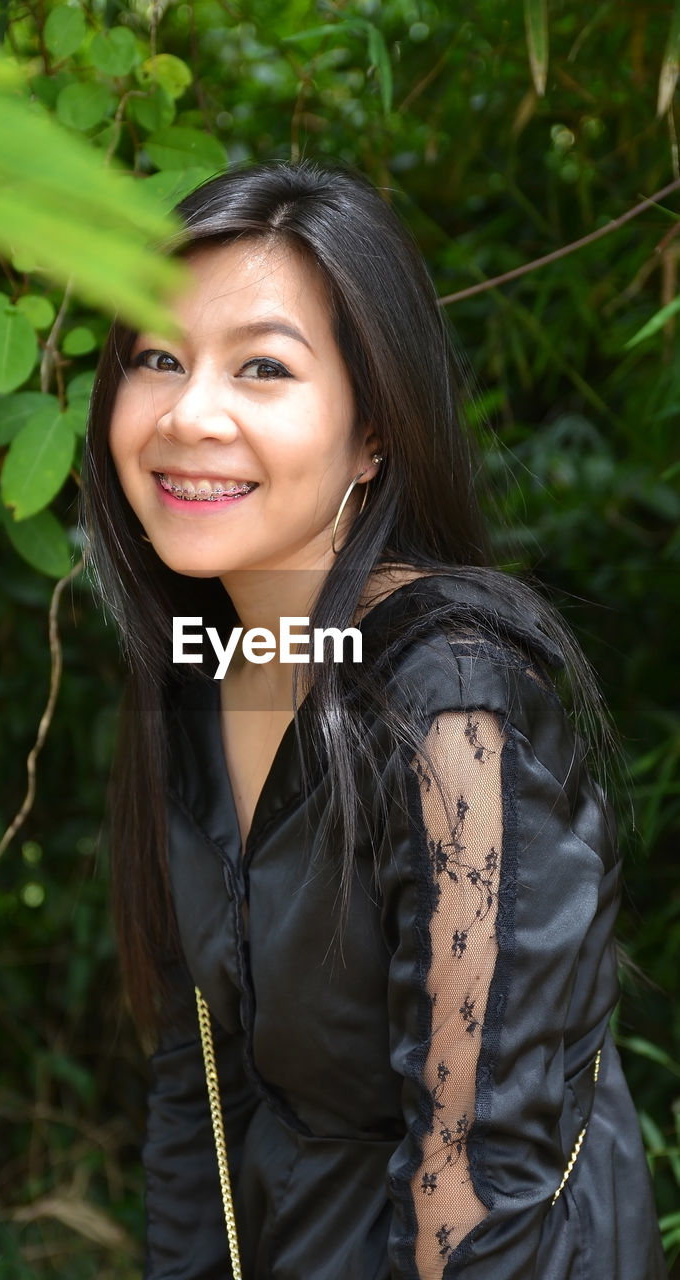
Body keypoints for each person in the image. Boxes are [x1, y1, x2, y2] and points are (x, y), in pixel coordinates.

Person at [82, 161, 666, 1279]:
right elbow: (197, 1090)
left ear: (372, 435)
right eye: (156, 357)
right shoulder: (203, 658)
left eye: (262, 366)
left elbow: (473, 1183)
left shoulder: (453, 703)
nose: (187, 411)